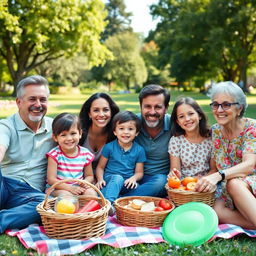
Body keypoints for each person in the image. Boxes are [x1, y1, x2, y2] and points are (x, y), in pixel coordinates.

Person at [196, 81, 256, 229]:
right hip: (227, 186)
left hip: (249, 182)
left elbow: (249, 165)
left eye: (226, 105)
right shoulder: (216, 131)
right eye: (215, 104)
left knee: (234, 184)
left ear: (239, 108)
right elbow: (215, 166)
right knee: (214, 210)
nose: (219, 110)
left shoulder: (251, 127)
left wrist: (218, 176)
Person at [0, 75, 55, 233]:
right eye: (32, 99)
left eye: (43, 99)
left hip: (29, 194)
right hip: (4, 184)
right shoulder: (5, 126)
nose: (38, 105)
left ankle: (2, 220)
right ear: (19, 102)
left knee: (48, 204)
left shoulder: (55, 128)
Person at [123, 84, 172, 197]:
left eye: (158, 107)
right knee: (117, 179)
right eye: (147, 106)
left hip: (157, 179)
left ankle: (119, 202)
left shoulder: (174, 124)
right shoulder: (131, 124)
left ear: (166, 108)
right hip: (131, 176)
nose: (152, 112)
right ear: (141, 107)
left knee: (162, 181)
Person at [95, 111, 146, 204]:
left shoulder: (139, 150)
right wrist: (100, 179)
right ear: (115, 132)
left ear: (137, 133)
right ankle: (109, 204)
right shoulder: (109, 147)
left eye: (130, 129)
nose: (126, 132)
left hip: (127, 183)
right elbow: (100, 167)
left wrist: (133, 179)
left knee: (139, 188)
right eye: (121, 128)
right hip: (111, 179)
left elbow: (139, 172)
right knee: (118, 178)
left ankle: (116, 198)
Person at [46, 113, 97, 197]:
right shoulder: (55, 155)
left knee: (91, 193)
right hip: (58, 188)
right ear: (55, 137)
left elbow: (90, 175)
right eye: (63, 135)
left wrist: (85, 182)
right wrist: (69, 188)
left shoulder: (85, 153)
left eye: (73, 133)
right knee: (66, 196)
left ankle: (85, 209)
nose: (69, 138)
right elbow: (51, 180)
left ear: (80, 133)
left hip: (78, 187)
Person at [168, 97, 215, 181]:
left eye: (191, 114)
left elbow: (213, 170)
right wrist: (174, 174)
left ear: (199, 115)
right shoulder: (176, 141)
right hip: (184, 185)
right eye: (181, 116)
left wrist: (202, 180)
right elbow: (175, 170)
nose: (187, 119)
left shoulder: (211, 139)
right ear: (178, 122)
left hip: (206, 182)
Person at [79, 93, 120, 174]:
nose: (101, 114)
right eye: (96, 110)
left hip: (105, 179)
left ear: (111, 112)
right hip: (80, 179)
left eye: (105, 110)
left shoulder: (117, 134)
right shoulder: (79, 133)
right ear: (89, 114)